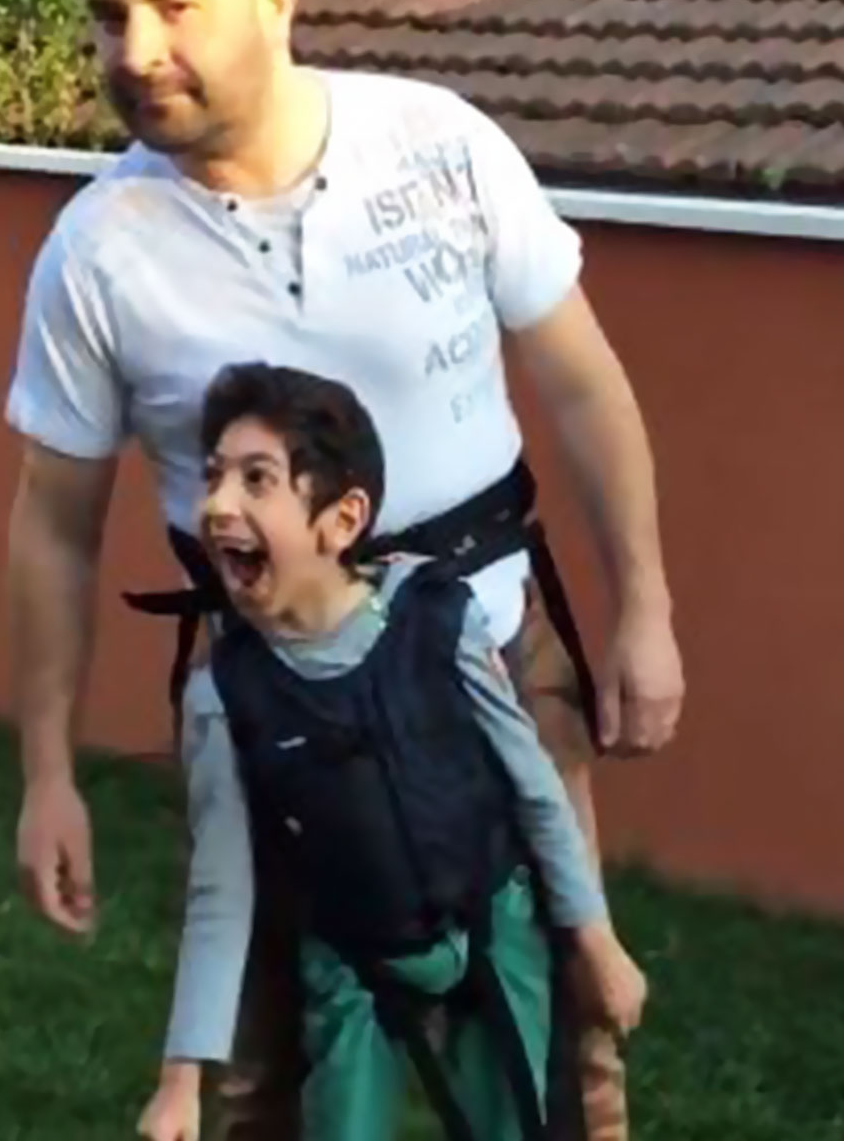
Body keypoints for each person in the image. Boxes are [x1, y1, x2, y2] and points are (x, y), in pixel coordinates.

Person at [4, 0, 685, 1137]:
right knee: (266, 1061)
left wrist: (641, 604)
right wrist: (47, 772)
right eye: (107, 14)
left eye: (173, 5)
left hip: (492, 649)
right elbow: (51, 526)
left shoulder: (436, 145)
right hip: (269, 695)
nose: (135, 49)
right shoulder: (96, 252)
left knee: (565, 1044)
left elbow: (586, 388)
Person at [136, 362, 648, 1141]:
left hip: (490, 923)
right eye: (213, 477)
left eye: (256, 479)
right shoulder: (223, 697)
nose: (218, 505)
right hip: (350, 963)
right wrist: (181, 1081)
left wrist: (595, 938)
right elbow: (221, 893)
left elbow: (535, 788)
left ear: (341, 521)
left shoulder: (440, 621)